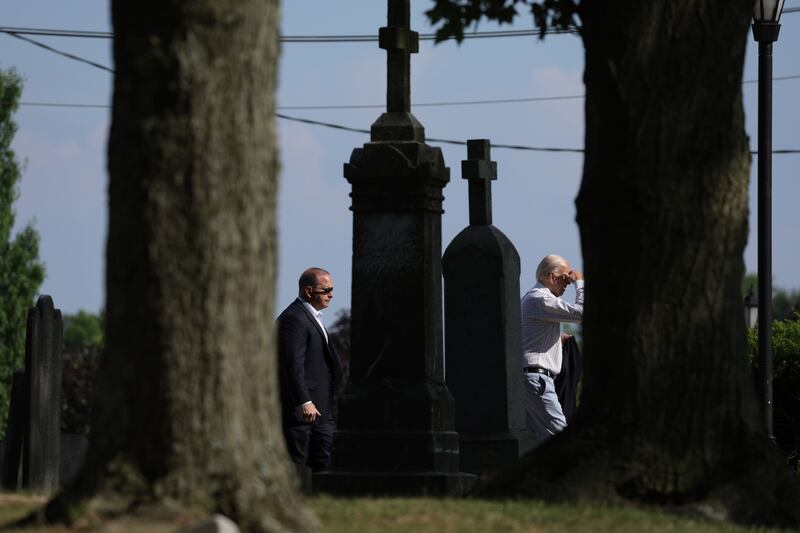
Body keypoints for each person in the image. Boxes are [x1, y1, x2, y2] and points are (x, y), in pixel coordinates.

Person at [277, 267, 342, 472]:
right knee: (299, 466)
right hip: (304, 415)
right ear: (308, 291)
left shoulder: (311, 317)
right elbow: (291, 364)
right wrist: (304, 401)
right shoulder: (294, 319)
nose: (331, 294)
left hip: (320, 410)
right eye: (326, 289)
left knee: (322, 463)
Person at [520, 254, 584, 444]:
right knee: (564, 437)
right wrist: (579, 283)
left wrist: (557, 341)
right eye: (565, 278)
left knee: (540, 442)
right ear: (552, 277)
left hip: (530, 379)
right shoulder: (541, 299)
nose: (566, 284)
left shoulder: (531, 299)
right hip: (537, 380)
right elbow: (581, 313)